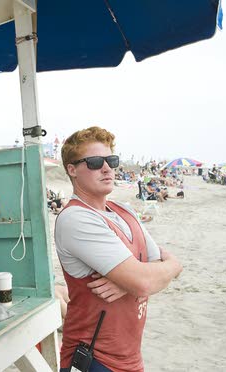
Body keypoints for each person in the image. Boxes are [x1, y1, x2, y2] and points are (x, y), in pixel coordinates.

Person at [55, 126, 182, 372]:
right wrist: (169, 267)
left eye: (111, 160)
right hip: (94, 358)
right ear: (72, 170)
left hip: (130, 355)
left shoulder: (124, 211)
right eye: (94, 162)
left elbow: (152, 267)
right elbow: (147, 280)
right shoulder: (76, 219)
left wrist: (129, 280)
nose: (107, 168)